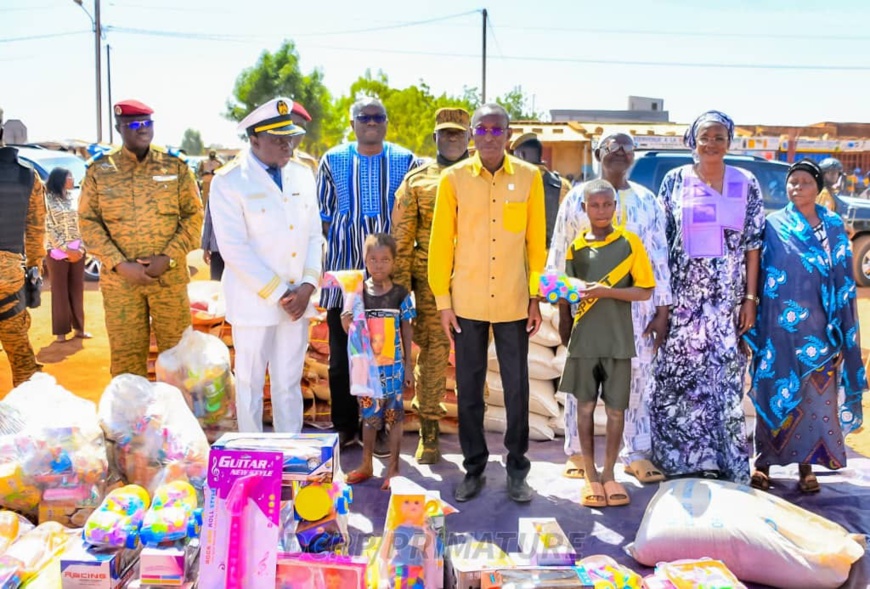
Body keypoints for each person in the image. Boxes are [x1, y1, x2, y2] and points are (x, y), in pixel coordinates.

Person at [429, 103, 547, 503]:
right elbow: (440, 244)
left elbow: (537, 245)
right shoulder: (454, 179)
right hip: (467, 303)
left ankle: (517, 470)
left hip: (515, 302)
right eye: (484, 130)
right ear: (472, 135)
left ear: (509, 135)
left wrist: (535, 297)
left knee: (517, 390)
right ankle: (474, 467)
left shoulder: (530, 178)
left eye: (498, 130)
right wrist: (444, 302)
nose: (491, 137)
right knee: (469, 392)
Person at [549, 130, 672, 484]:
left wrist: (662, 312)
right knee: (582, 384)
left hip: (636, 313)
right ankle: (576, 451)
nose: (618, 153)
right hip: (587, 312)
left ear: (634, 155)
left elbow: (659, 258)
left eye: (626, 147)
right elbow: (560, 257)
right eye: (610, 147)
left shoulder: (649, 202)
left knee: (636, 381)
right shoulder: (576, 199)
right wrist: (564, 312)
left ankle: (636, 453)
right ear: (598, 153)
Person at [649, 110, 764, 483]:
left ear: (729, 141)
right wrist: (663, 303)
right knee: (678, 380)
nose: (711, 144)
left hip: (726, 303)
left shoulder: (746, 183)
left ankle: (724, 462)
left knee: (725, 380)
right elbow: (662, 243)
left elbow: (752, 245)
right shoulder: (674, 180)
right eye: (705, 136)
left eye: (719, 137)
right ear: (692, 141)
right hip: (684, 302)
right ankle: (680, 462)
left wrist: (749, 298)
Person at [747, 159, 866, 494]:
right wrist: (751, 305)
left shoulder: (832, 226)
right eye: (792, 182)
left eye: (804, 182)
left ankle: (806, 467)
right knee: (772, 392)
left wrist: (842, 331)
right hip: (776, 329)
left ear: (818, 188)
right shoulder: (773, 224)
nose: (796, 187)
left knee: (814, 400)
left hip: (819, 331)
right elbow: (756, 265)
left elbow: (843, 280)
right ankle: (763, 465)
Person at [209, 97, 322, 433]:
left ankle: (291, 455)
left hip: (297, 301)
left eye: (290, 137)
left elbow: (315, 236)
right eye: (277, 139)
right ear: (254, 139)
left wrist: (306, 287)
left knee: (289, 383)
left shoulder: (302, 175)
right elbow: (234, 248)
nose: (287, 145)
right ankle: (254, 457)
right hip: (254, 301)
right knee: (250, 384)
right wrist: (281, 294)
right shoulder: (229, 181)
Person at [317, 97, 422, 449]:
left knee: (383, 357)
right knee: (341, 357)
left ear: (387, 122)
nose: (372, 122)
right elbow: (324, 218)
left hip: (387, 279)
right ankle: (345, 426)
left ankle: (376, 428)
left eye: (378, 117)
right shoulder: (332, 159)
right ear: (352, 123)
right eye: (364, 117)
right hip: (346, 276)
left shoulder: (406, 160)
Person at [79, 99, 203, 377]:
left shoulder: (176, 166)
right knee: (126, 359)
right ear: (118, 128)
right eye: (134, 124)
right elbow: (88, 222)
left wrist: (168, 258)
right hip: (120, 282)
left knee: (179, 357)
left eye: (147, 123)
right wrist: (120, 265)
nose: (142, 129)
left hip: (168, 280)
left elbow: (194, 217)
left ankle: (180, 417)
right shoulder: (99, 170)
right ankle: (129, 418)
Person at [557, 179, 655, 507]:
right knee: (583, 407)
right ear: (583, 208)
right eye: (594, 205)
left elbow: (645, 290)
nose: (601, 211)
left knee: (616, 411)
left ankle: (610, 474)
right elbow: (565, 292)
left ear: (615, 207)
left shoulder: (630, 244)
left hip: (618, 341)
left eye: (607, 204)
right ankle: (589, 475)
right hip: (584, 340)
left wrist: (606, 292)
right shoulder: (576, 248)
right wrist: (564, 321)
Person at [392, 107, 471, 464]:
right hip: (430, 285)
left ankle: (474, 430)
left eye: (459, 132)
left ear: (469, 136)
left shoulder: (485, 177)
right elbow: (402, 237)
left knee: (476, 359)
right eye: (446, 133)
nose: (452, 138)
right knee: (435, 357)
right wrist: (399, 288)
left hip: (478, 281)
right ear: (435, 137)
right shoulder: (417, 182)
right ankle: (430, 432)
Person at [343, 234, 415, 488]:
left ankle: (394, 469)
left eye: (385, 260)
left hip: (393, 369)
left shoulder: (400, 294)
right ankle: (366, 464)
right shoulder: (358, 294)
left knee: (394, 418)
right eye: (373, 259)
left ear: (394, 262)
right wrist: (347, 320)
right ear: (365, 261)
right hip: (367, 369)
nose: (379, 265)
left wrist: (408, 365)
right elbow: (349, 329)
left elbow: (407, 330)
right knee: (369, 417)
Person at [0, 108, 45, 387]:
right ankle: (26, 421)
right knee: (22, 359)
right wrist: (34, 270)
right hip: (9, 280)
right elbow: (37, 230)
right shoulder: (26, 175)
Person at [44, 167, 90, 343]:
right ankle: (61, 331)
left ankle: (79, 329)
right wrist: (65, 249)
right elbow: (49, 228)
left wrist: (79, 248)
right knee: (59, 290)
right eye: (69, 176)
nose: (72, 179)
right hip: (56, 250)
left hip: (77, 247)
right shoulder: (47, 200)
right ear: (60, 179)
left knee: (77, 289)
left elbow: (82, 224)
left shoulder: (74, 198)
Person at [510, 132, 572, 246]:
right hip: (553, 256)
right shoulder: (563, 185)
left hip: (522, 257)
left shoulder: (513, 185)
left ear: (522, 155)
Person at [288, 101, 319, 175]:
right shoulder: (259, 160)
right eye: (288, 125)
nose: (293, 131)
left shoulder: (309, 164)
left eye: (300, 127)